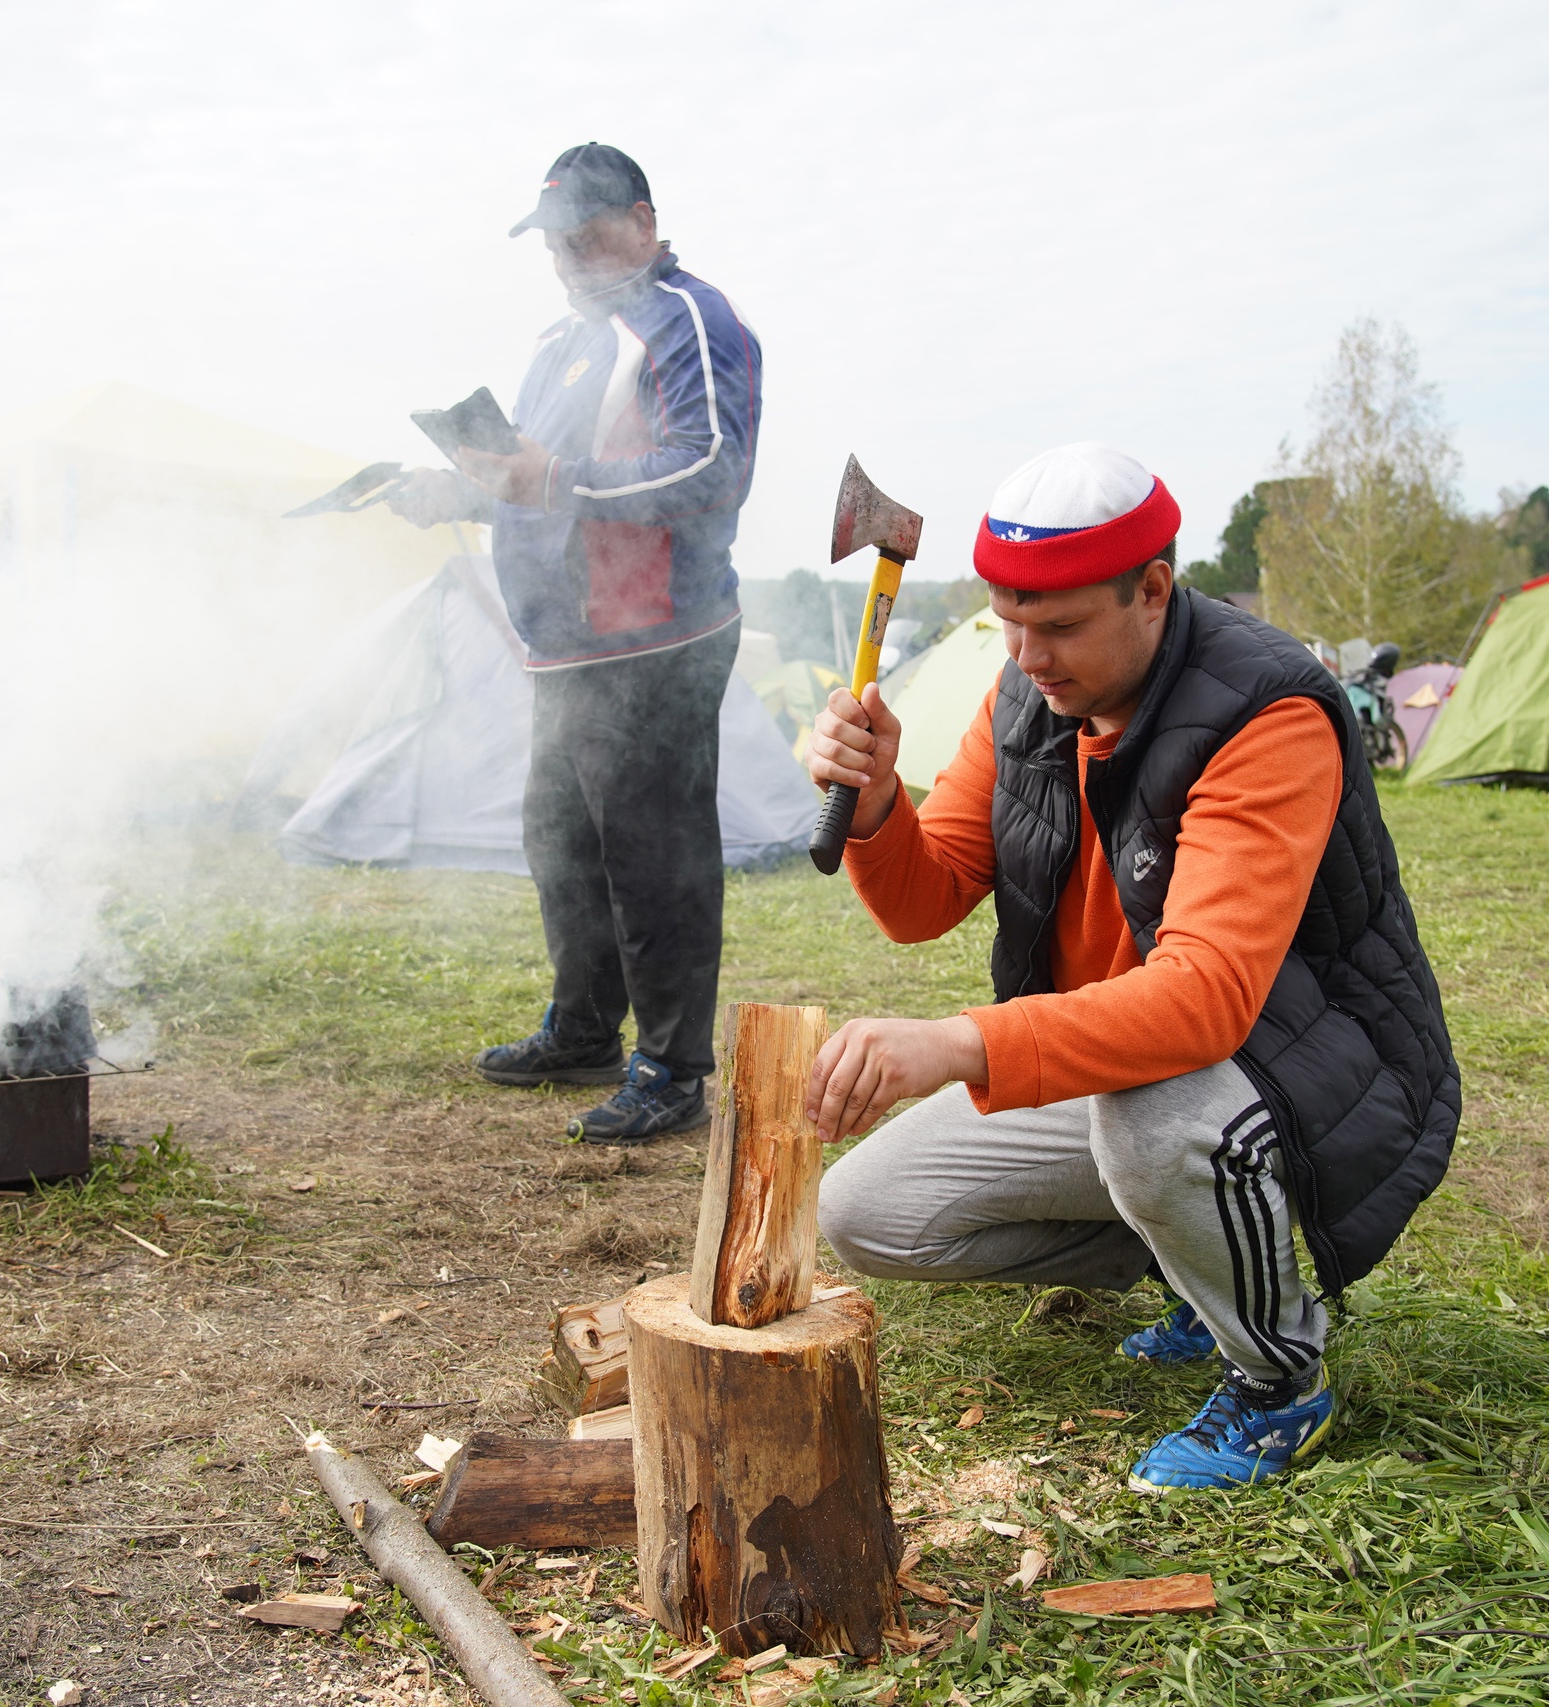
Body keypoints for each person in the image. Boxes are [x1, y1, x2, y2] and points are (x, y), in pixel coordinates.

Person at [800, 444, 1459, 1492]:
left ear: (1153, 589)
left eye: (1059, 626)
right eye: (1008, 622)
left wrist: (956, 1043)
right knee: (867, 1213)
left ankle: (1279, 1384)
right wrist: (880, 801)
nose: (1026, 655)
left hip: (1300, 1069)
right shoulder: (1022, 700)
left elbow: (1201, 1002)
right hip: (1123, 1066)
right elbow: (925, 902)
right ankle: (1198, 1269)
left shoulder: (1266, 711)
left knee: (1150, 1122)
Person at [389, 143, 762, 1144]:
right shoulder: (561, 340)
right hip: (562, 642)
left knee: (654, 855)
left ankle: (672, 1069)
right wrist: (455, 490)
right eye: (556, 242)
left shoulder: (689, 319)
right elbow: (529, 472)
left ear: (643, 221)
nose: (569, 256)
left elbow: (714, 468)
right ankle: (586, 1028)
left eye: (589, 235)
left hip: (655, 638)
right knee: (562, 841)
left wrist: (553, 481)